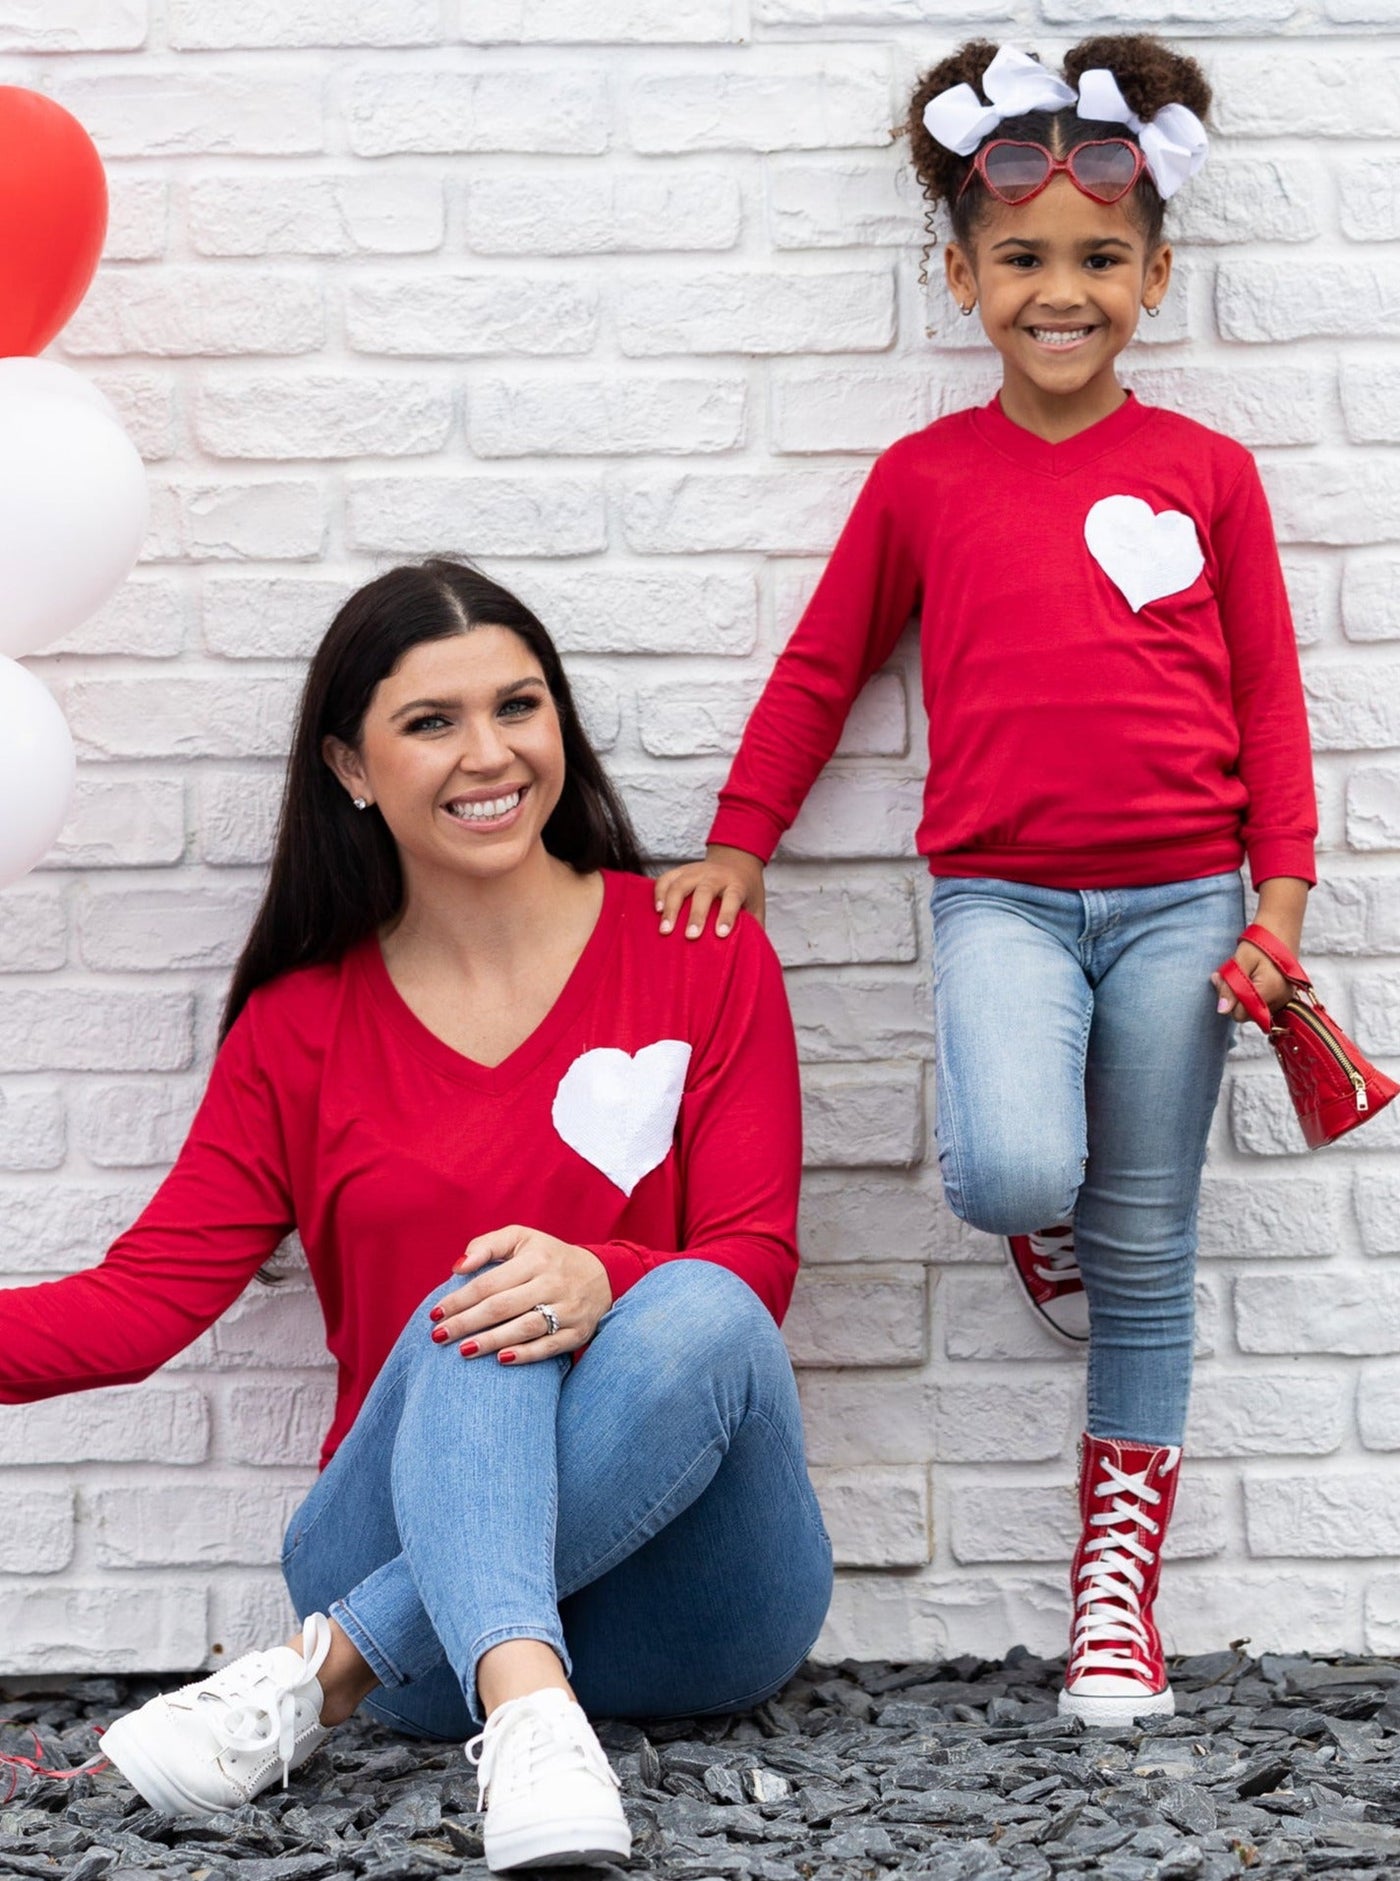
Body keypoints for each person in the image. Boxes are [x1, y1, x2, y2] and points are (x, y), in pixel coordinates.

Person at [654, 35, 1316, 1727]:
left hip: (1186, 905)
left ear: (1154, 277)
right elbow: (821, 670)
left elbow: (1270, 703)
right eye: (1022, 258)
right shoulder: (923, 482)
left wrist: (1280, 904)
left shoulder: (1211, 476)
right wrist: (741, 832)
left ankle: (1117, 1604)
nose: (1061, 289)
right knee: (1017, 1164)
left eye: (1101, 258)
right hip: (1001, 900)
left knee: (1150, 1254)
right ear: (963, 276)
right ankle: (1050, 1227)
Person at [0, 560, 833, 1871]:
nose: (489, 751)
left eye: (520, 704)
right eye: (431, 721)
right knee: (490, 1293)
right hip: (410, 1573)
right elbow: (141, 1301)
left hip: (696, 1597)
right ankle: (523, 1707)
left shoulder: (700, 944)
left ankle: (319, 1668)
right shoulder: (299, 1026)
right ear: (349, 764)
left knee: (696, 1297)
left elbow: (753, 1263)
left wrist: (601, 1272)